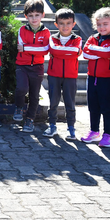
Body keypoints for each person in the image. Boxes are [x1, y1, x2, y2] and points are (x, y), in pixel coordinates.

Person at [81, 7, 110, 147]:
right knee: (93, 106)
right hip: (92, 78)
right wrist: (103, 54)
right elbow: (85, 53)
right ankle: (94, 132)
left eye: (105, 24)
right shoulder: (93, 38)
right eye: (98, 24)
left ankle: (108, 135)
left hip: (108, 80)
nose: (101, 27)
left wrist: (99, 52)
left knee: (107, 108)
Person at [43, 8, 82, 140]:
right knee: (53, 102)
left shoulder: (78, 39)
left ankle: (71, 128)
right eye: (61, 23)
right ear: (56, 24)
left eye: (68, 23)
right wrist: (66, 51)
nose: (65, 26)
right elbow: (54, 50)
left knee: (70, 103)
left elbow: (75, 52)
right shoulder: (52, 38)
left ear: (73, 24)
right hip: (54, 75)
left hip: (70, 76)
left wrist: (62, 51)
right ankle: (52, 125)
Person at [14, 0, 50, 132]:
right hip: (22, 65)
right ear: (26, 16)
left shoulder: (46, 32)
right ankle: (19, 107)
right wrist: (35, 48)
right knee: (21, 88)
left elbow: (45, 50)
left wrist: (27, 48)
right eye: (30, 15)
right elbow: (20, 47)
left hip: (38, 66)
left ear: (43, 15)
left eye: (37, 15)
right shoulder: (22, 30)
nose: (34, 18)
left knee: (34, 95)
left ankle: (29, 120)